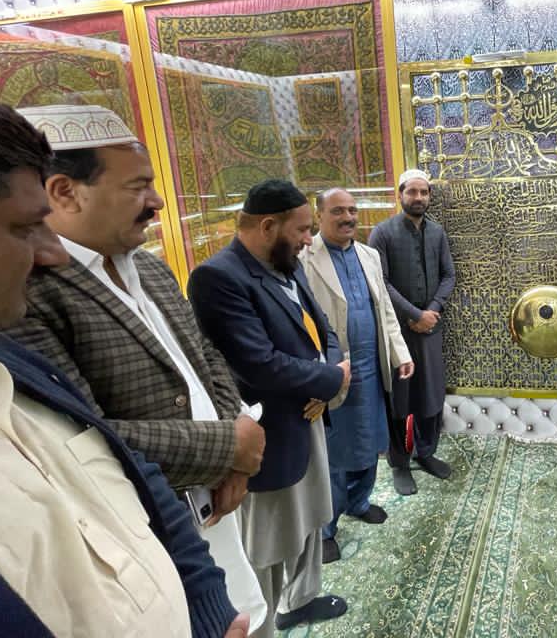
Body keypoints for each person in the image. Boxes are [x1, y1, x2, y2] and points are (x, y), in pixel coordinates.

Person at [0, 97, 246, 637]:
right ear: (64, 192)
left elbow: (205, 355)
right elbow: (101, 434)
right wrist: (227, 447)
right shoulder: (29, 297)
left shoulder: (151, 270)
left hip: (208, 514)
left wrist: (233, 451)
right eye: (138, 186)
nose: (157, 202)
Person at [188, 179, 350, 637]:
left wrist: (329, 372)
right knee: (268, 549)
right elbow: (258, 364)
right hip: (270, 436)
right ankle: (264, 625)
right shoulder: (218, 278)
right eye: (302, 230)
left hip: (309, 415)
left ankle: (301, 600)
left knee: (311, 523)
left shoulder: (287, 263)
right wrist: (332, 378)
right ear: (267, 226)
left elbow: (323, 327)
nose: (309, 240)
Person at [301, 187, 414, 563]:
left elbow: (385, 312)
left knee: (370, 440)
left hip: (371, 369)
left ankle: (359, 502)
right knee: (334, 452)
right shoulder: (304, 259)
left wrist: (400, 353)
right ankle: (326, 528)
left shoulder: (369, 255)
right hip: (334, 372)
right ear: (319, 215)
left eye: (352, 210)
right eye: (338, 211)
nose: (348, 217)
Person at [368, 168, 456, 496]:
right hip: (398, 333)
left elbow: (448, 275)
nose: (418, 198)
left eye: (424, 192)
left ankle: (426, 452)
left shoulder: (437, 233)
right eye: (412, 192)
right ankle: (401, 462)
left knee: (431, 395)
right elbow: (380, 282)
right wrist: (414, 315)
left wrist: (431, 311)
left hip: (430, 328)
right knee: (401, 399)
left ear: (429, 196)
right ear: (400, 195)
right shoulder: (382, 233)